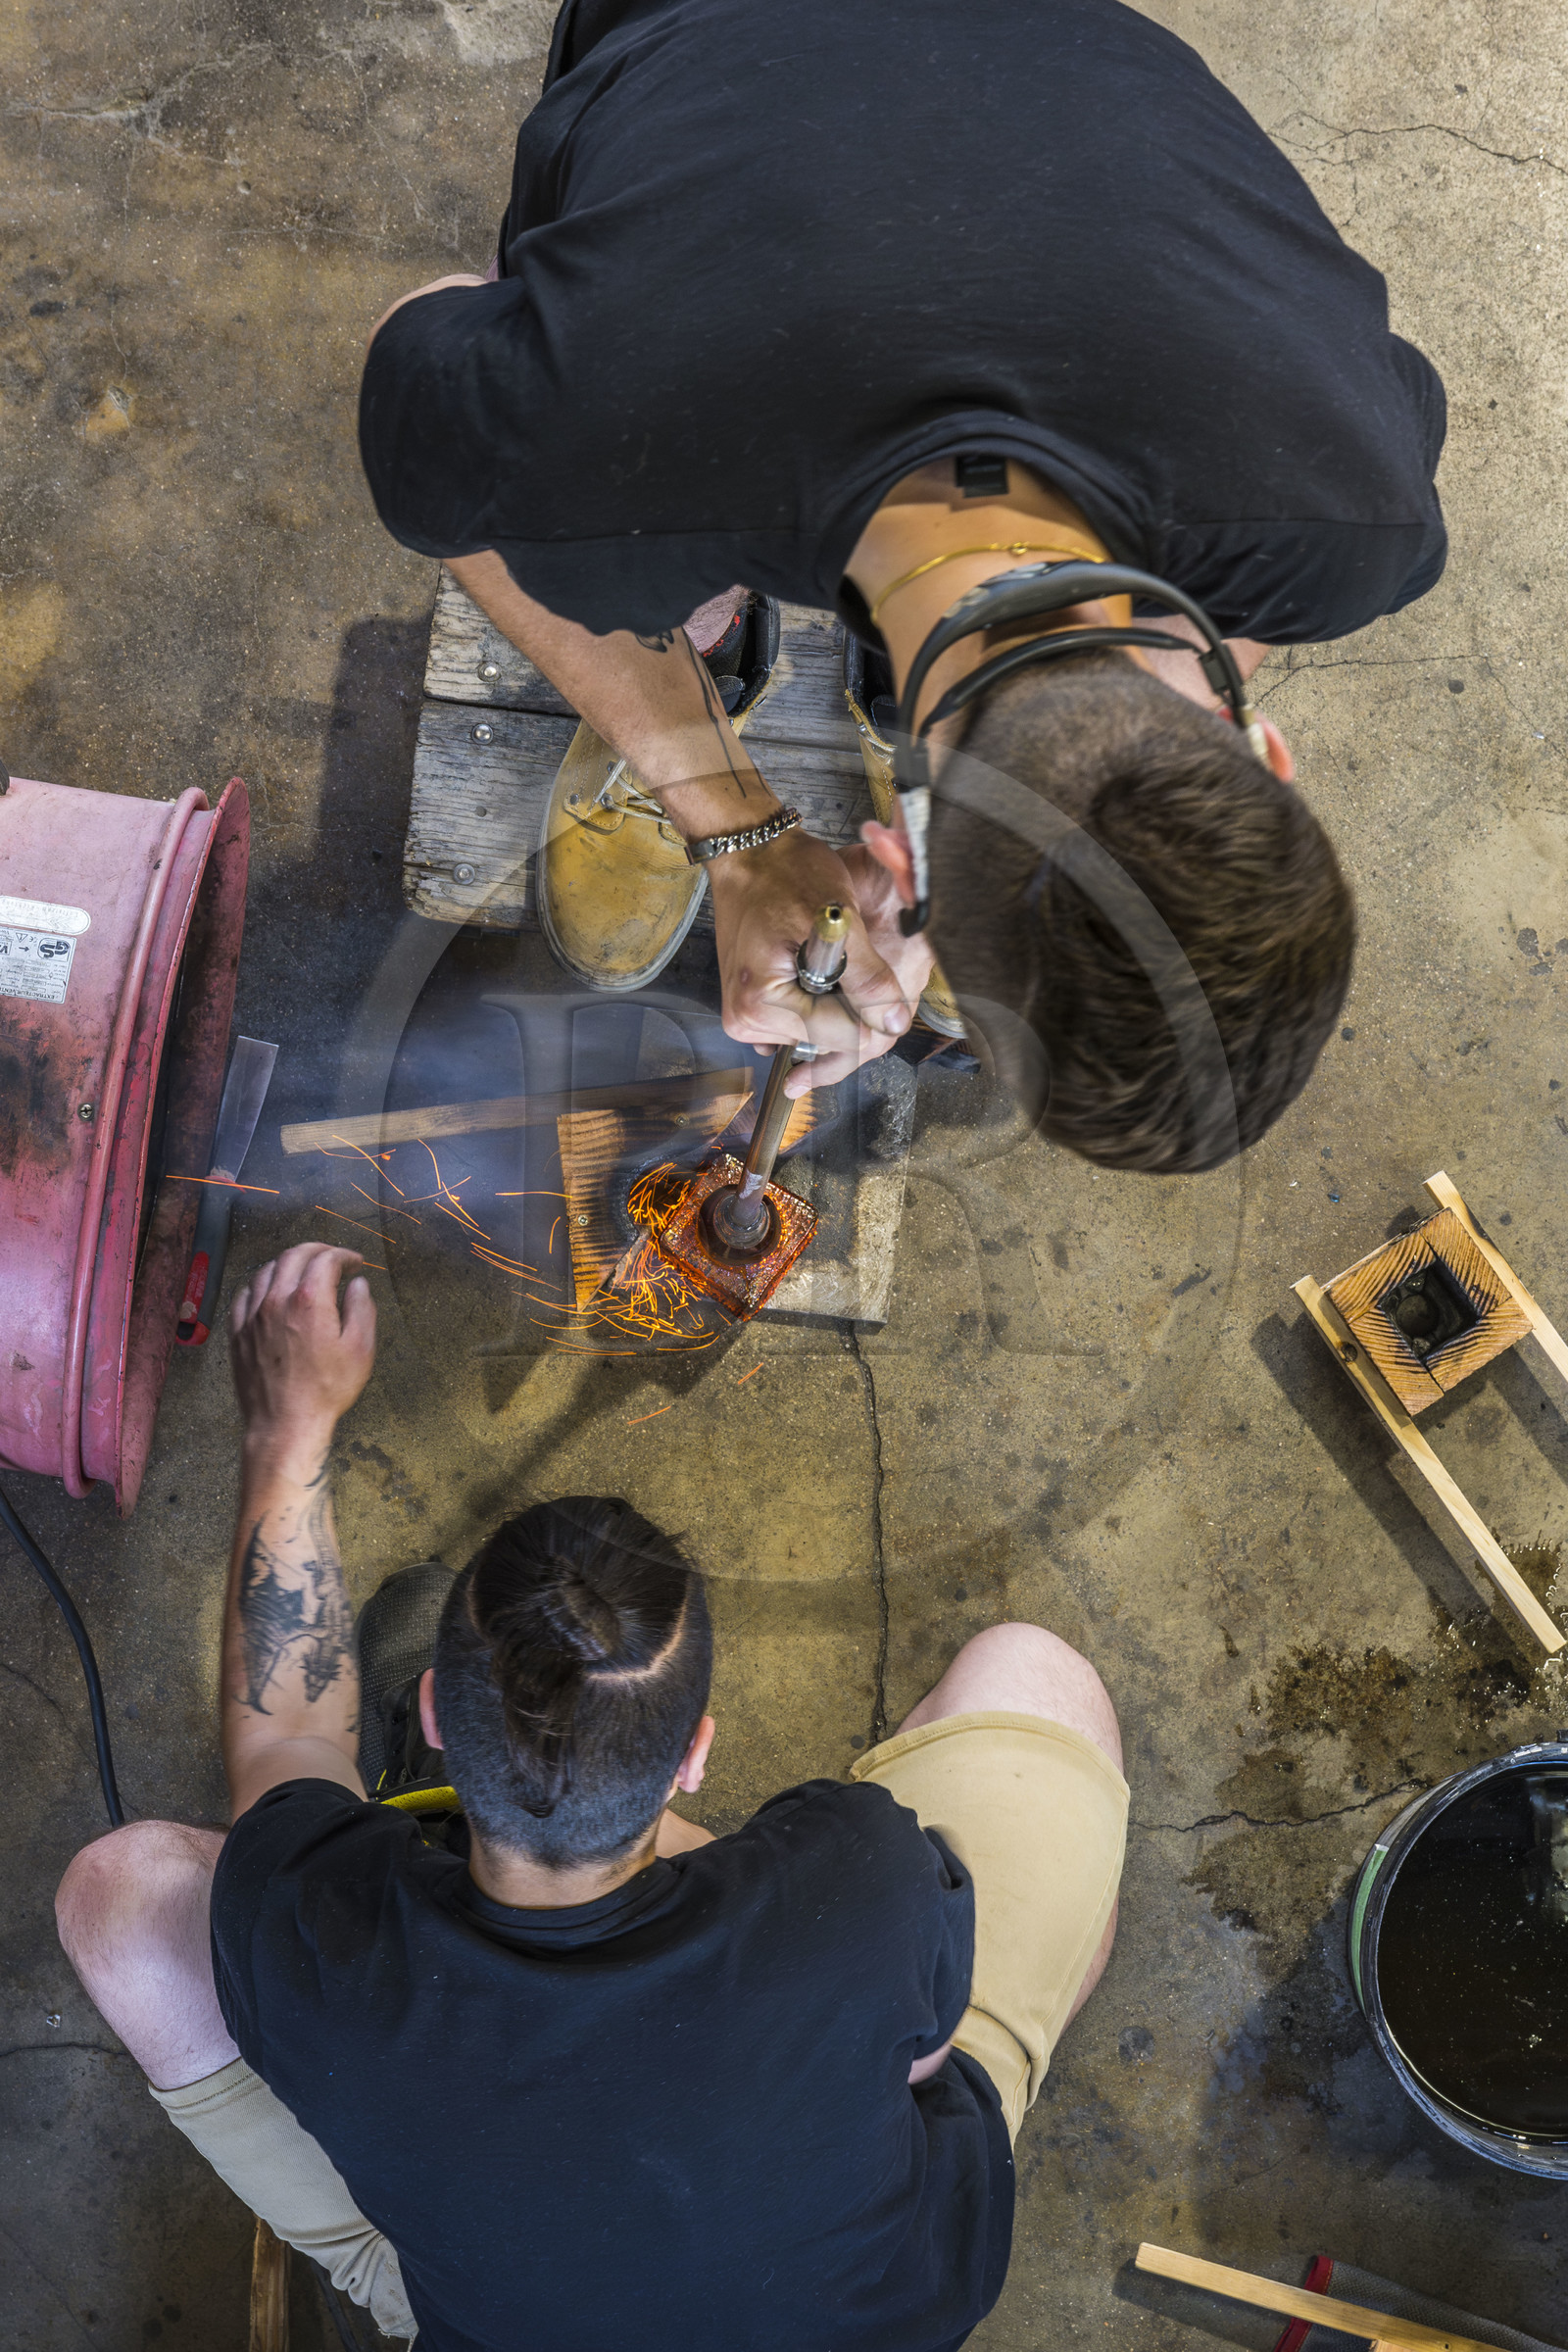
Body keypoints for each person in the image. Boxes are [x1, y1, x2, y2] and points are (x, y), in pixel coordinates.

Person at [356, 0, 1445, 1171]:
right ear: (900, 860)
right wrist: (738, 834)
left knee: (672, 523)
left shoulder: (1354, 513)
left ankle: (898, 688)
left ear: (1268, 752)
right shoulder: (589, 455)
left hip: (1066, 57)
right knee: (636, 557)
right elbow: (420, 334)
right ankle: (722, 644)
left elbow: (1374, 415)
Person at [55, 1244, 1127, 2350]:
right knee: (1032, 1675)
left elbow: (285, 1737)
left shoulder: (320, 1945)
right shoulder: (859, 1880)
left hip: (504, 2322)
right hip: (872, 2306)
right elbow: (914, 2066)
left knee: (120, 1896)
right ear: (694, 1754)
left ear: (432, 1715)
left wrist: (287, 1432)